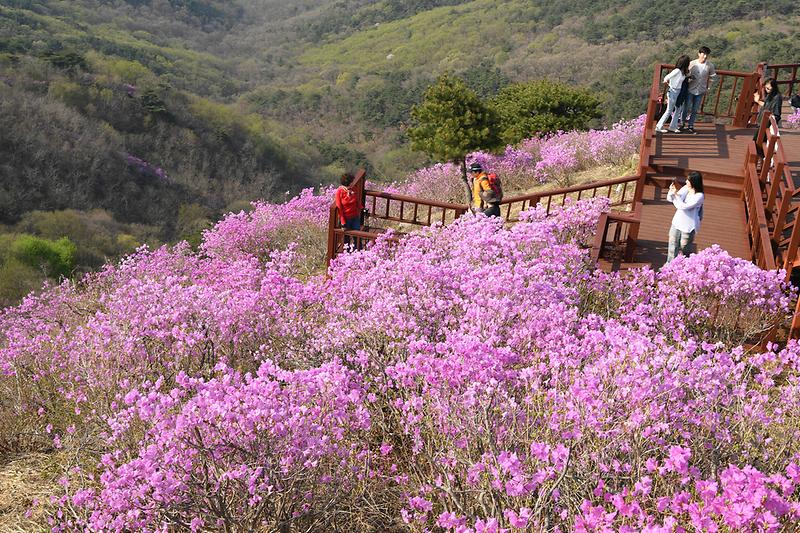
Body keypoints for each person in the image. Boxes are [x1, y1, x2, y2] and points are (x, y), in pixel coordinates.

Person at [666, 171, 704, 263]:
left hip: (688, 226)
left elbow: (683, 206)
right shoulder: (685, 188)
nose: (686, 182)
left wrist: (675, 195)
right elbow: (670, 199)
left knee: (685, 247)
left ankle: (687, 265)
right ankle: (669, 266)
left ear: (695, 182)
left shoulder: (699, 196)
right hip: (677, 222)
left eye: (689, 180)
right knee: (672, 244)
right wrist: (671, 192)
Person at [680, 46, 717, 134]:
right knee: (686, 107)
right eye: (703, 54)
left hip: (701, 90)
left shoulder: (710, 65)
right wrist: (689, 78)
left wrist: (708, 87)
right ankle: (682, 124)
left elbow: (713, 77)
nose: (705, 56)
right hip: (690, 89)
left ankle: (690, 125)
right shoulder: (692, 63)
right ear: (699, 54)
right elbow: (685, 74)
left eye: (706, 54)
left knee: (695, 109)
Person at [656, 55, 691, 134]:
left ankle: (673, 126)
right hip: (673, 92)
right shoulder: (677, 71)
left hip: (678, 92)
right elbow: (666, 77)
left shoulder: (683, 72)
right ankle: (659, 126)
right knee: (669, 110)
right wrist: (669, 83)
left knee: (678, 109)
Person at [334, 172, 364, 248]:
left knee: (357, 235)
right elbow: (339, 207)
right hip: (346, 218)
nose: (353, 183)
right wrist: (343, 221)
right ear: (348, 183)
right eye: (351, 182)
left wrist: (361, 208)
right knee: (346, 238)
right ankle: (346, 254)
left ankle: (358, 251)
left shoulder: (354, 189)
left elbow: (356, 201)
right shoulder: (340, 192)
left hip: (355, 216)